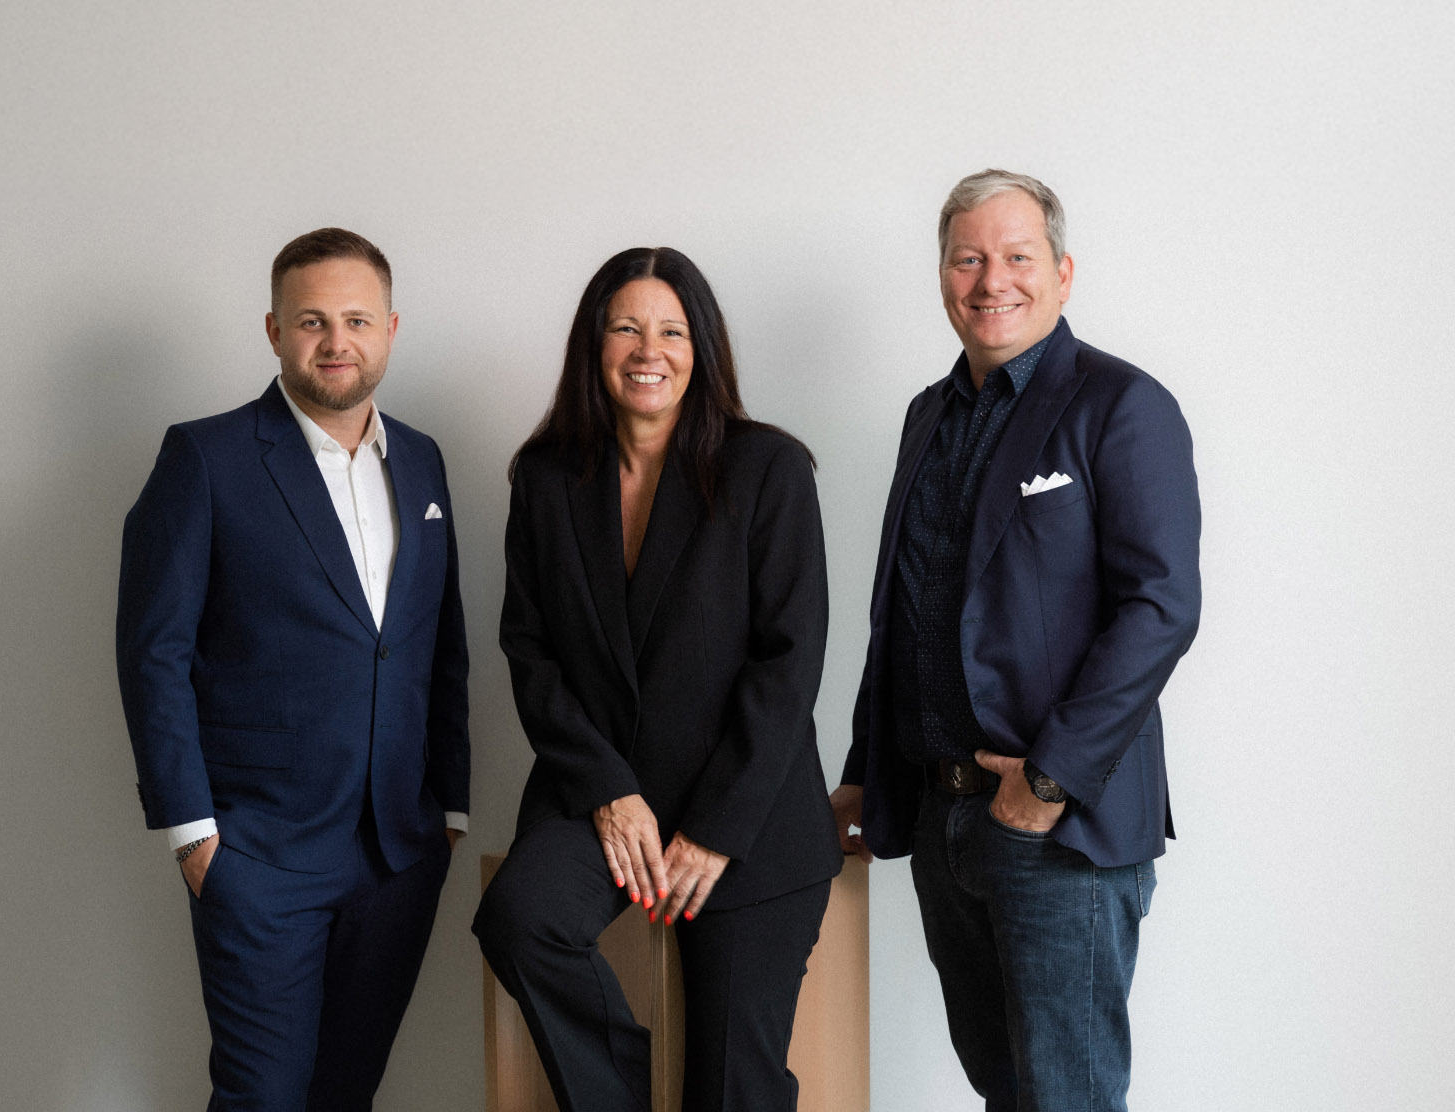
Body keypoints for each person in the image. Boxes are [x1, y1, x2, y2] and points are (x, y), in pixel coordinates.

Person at [831, 169, 1201, 1111]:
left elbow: (1161, 608)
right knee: (1006, 1094)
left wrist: (1048, 782)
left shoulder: (1122, 405)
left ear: (1063, 273)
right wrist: (867, 772)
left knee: (1065, 1099)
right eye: (968, 259)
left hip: (1059, 825)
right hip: (942, 813)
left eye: (1017, 257)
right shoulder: (929, 415)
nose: (992, 279)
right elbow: (902, 612)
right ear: (944, 278)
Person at [473, 246, 839, 1111]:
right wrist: (606, 788)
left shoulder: (769, 469)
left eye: (672, 330)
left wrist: (715, 829)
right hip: (607, 795)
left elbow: (791, 659)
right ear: (593, 345)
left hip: (747, 814)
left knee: (733, 1088)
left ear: (701, 347)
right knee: (519, 921)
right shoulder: (546, 477)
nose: (650, 349)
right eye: (627, 327)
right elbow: (529, 650)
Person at [116, 227, 469, 1111]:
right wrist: (193, 834)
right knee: (262, 1097)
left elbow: (440, 641)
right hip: (259, 848)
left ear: (391, 328)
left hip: (397, 849)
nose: (335, 341)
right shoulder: (206, 458)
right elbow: (153, 650)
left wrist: (450, 807)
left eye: (355, 319)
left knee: (345, 1093)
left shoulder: (422, 459)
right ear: (273, 330)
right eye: (312, 320)